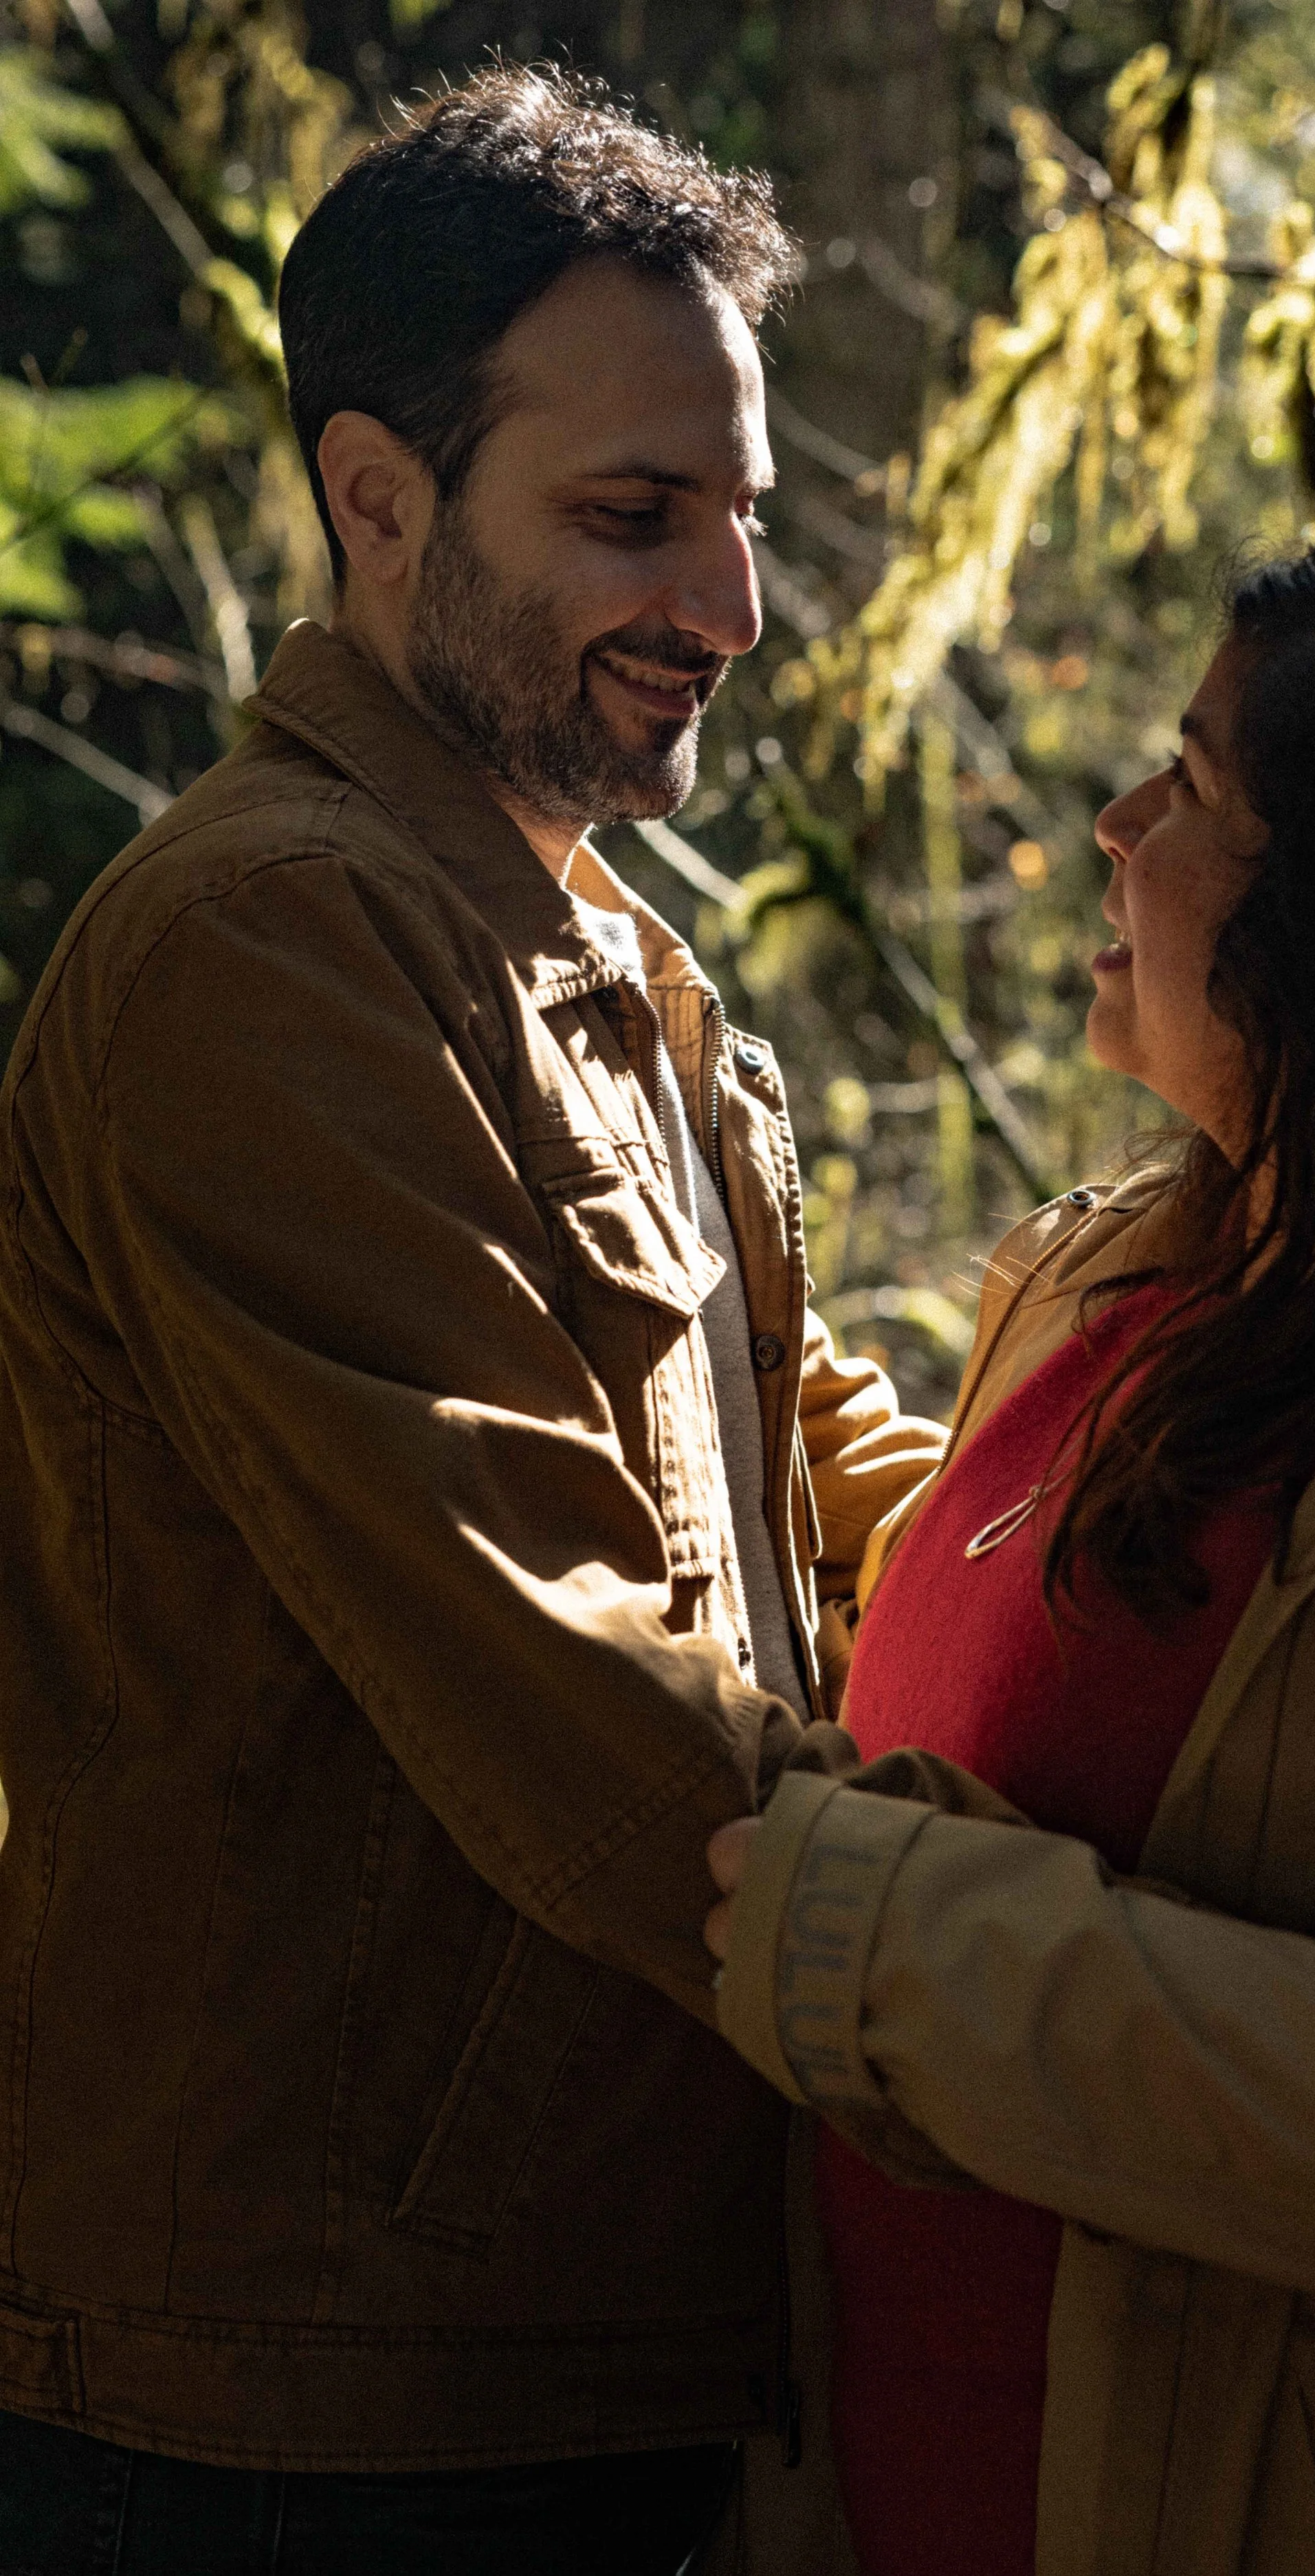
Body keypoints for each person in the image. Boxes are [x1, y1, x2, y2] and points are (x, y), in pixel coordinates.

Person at [0, 67, 943, 2575]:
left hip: (576, 2332)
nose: (726, 610)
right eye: (631, 520)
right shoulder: (258, 945)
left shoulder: (604, 940)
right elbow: (555, 1663)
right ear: (377, 500)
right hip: (308, 2416)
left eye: (739, 514)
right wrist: (1132, 2015)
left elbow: (806, 1454)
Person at [706, 533, 1315, 2576]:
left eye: (1190, 783)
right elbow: (1055, 1689)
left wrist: (900, 1951)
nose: (1113, 822)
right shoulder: (1129, 1280)